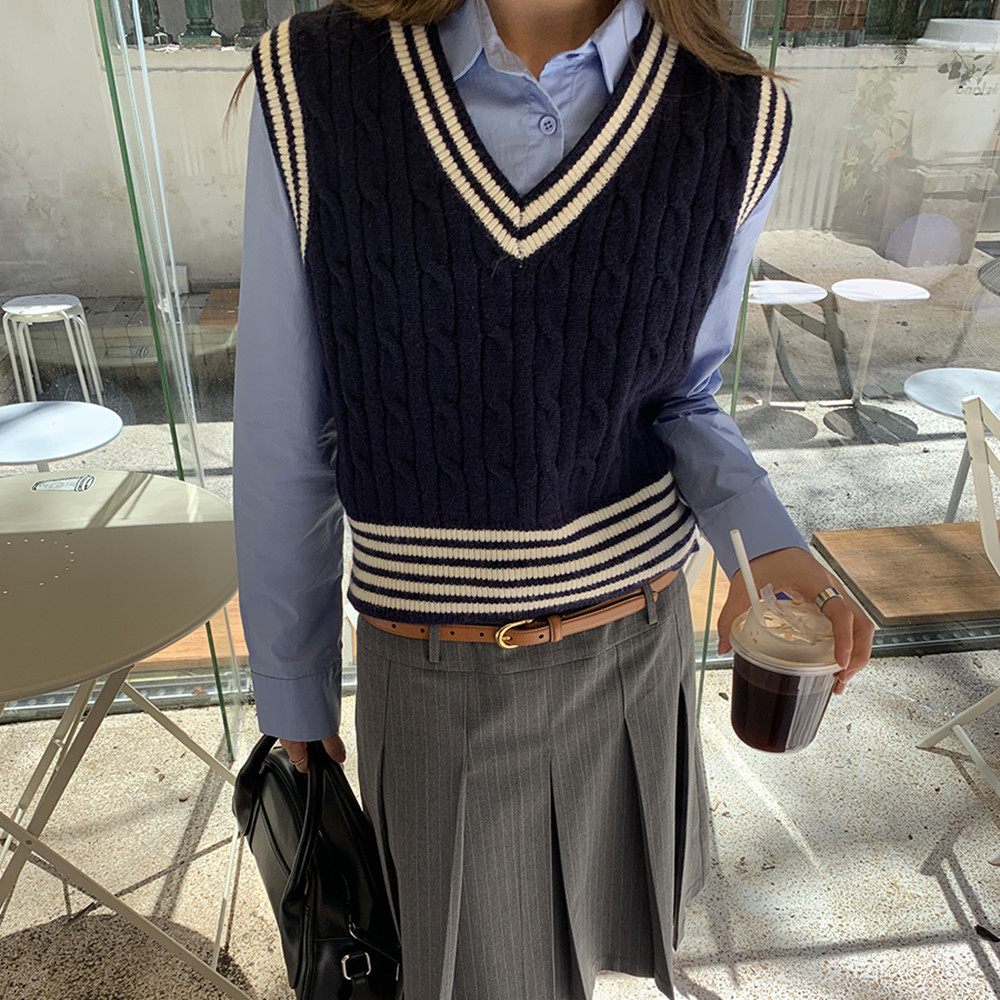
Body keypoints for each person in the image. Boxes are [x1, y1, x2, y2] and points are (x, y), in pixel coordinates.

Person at [232, 1, 875, 998]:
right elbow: (284, 428)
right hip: (432, 680)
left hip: (637, 656)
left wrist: (769, 543)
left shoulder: (737, 114)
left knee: (605, 957)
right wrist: (292, 685)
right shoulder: (313, 80)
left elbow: (683, 396)